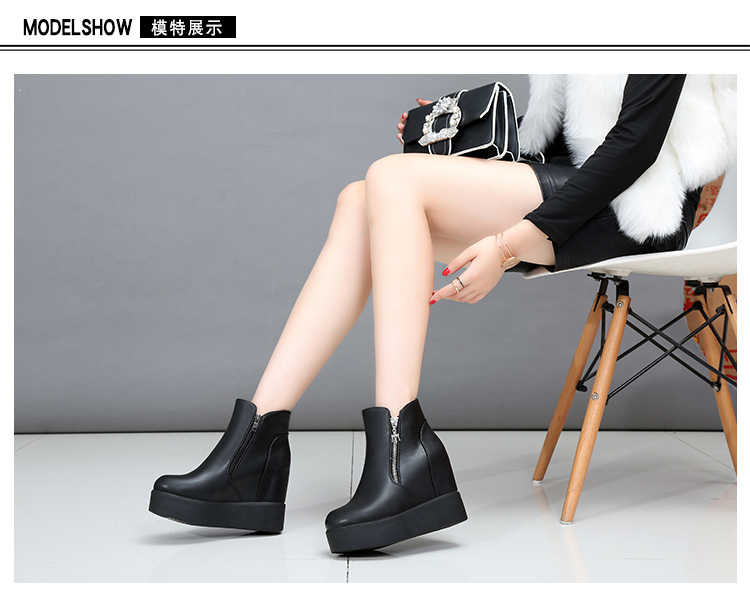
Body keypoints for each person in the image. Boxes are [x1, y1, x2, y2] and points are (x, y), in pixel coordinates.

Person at [148, 75, 736, 554]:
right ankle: (254, 449)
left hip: (641, 203)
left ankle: (403, 448)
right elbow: (560, 143)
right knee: (360, 200)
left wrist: (510, 244)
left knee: (391, 178)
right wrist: (455, 134)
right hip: (585, 183)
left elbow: (635, 145)